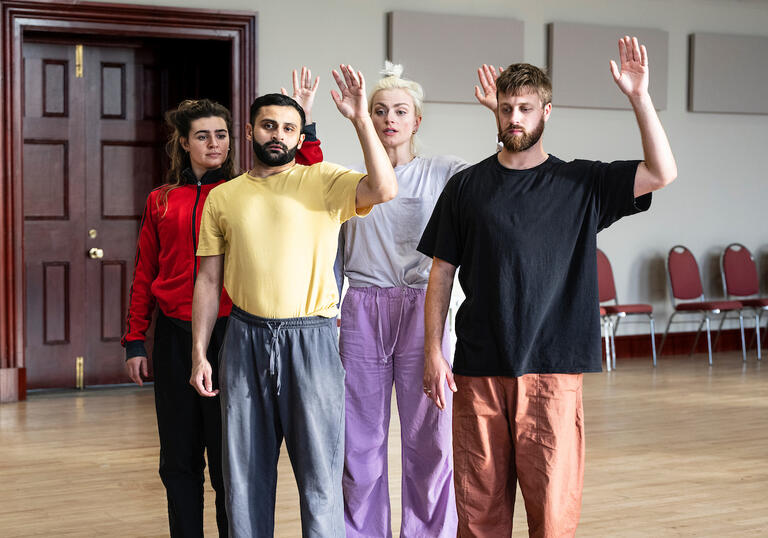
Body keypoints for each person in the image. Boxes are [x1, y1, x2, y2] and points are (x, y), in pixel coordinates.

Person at [418, 36, 677, 537]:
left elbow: (662, 172)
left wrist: (639, 97)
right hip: (479, 370)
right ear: (495, 111)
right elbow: (441, 272)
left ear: (546, 112)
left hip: (553, 373)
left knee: (554, 517)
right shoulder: (467, 186)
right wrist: (433, 348)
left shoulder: (582, 184)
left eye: (526, 108)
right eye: (507, 107)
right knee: (478, 515)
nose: (515, 117)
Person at [190, 65, 398, 537]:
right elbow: (206, 280)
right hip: (244, 338)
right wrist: (199, 352)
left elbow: (384, 188)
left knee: (321, 474)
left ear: (300, 134)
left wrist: (362, 119)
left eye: (288, 128)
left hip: (313, 340)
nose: (278, 135)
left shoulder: (323, 180)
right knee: (243, 474)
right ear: (250, 130)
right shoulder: (223, 198)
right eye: (268, 125)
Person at [121, 68, 323, 537]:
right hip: (174, 336)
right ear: (184, 144)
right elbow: (145, 273)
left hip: (234, 334)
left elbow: (309, 177)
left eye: (223, 135)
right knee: (177, 457)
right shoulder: (161, 201)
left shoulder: (244, 191)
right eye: (203, 136)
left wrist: (305, 123)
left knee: (230, 458)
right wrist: (134, 339)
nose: (215, 144)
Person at [335, 62, 498, 537]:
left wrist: (494, 115)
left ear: (416, 121)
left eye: (399, 111)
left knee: (431, 439)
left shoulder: (445, 173)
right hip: (362, 310)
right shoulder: (349, 181)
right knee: (359, 441)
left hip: (424, 310)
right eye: (380, 110)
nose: (389, 119)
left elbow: (496, 180)